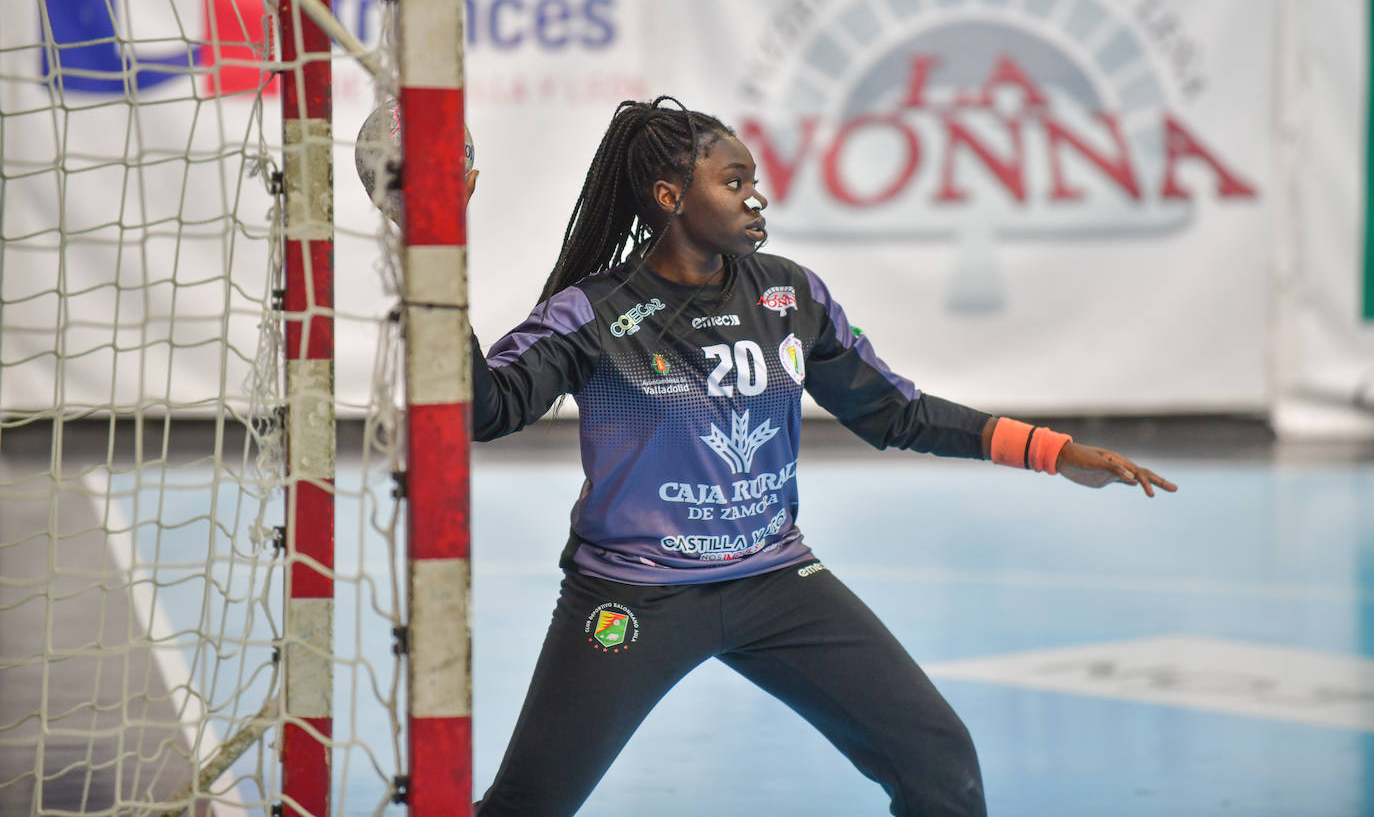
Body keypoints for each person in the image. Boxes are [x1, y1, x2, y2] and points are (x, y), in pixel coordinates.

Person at [465, 97, 1177, 816]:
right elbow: (483, 411)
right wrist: (436, 247)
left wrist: (1052, 452)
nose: (757, 197)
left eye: (752, 181)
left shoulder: (788, 294)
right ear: (670, 197)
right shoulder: (594, 314)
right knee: (528, 804)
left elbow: (895, 412)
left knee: (939, 763)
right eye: (734, 182)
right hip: (635, 593)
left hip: (775, 581)